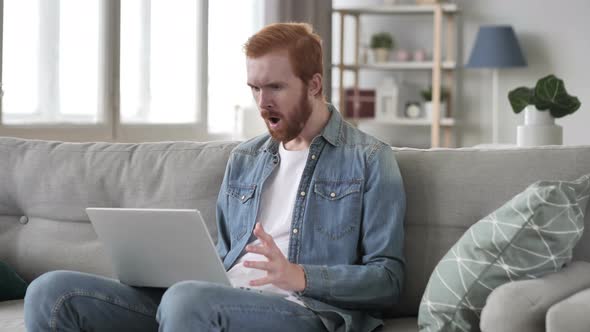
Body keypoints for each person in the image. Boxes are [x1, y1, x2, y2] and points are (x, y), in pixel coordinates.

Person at [24, 22, 405, 332]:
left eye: (275, 87)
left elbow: (387, 281)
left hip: (305, 309)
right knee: (51, 291)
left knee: (188, 301)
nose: (262, 102)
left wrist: (299, 276)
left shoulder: (369, 159)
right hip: (212, 300)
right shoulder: (245, 158)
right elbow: (224, 255)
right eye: (255, 88)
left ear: (314, 85)